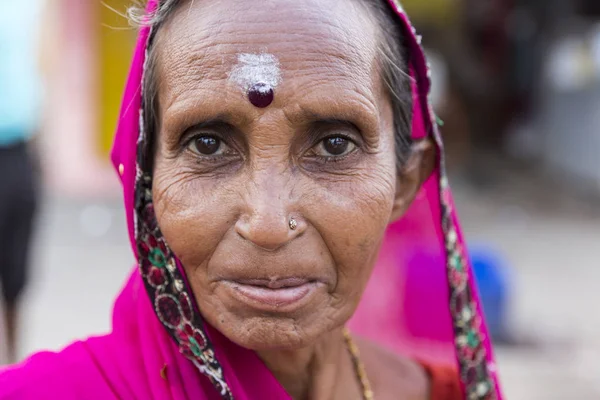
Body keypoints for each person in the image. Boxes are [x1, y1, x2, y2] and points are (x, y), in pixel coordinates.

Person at [0, 0, 503, 398]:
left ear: (405, 182)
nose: (265, 223)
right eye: (208, 144)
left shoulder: (440, 394)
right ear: (146, 183)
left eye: (333, 145)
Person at [0, 2, 44, 364]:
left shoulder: (28, 7)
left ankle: (11, 362)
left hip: (18, 150)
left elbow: (43, 65)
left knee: (15, 271)